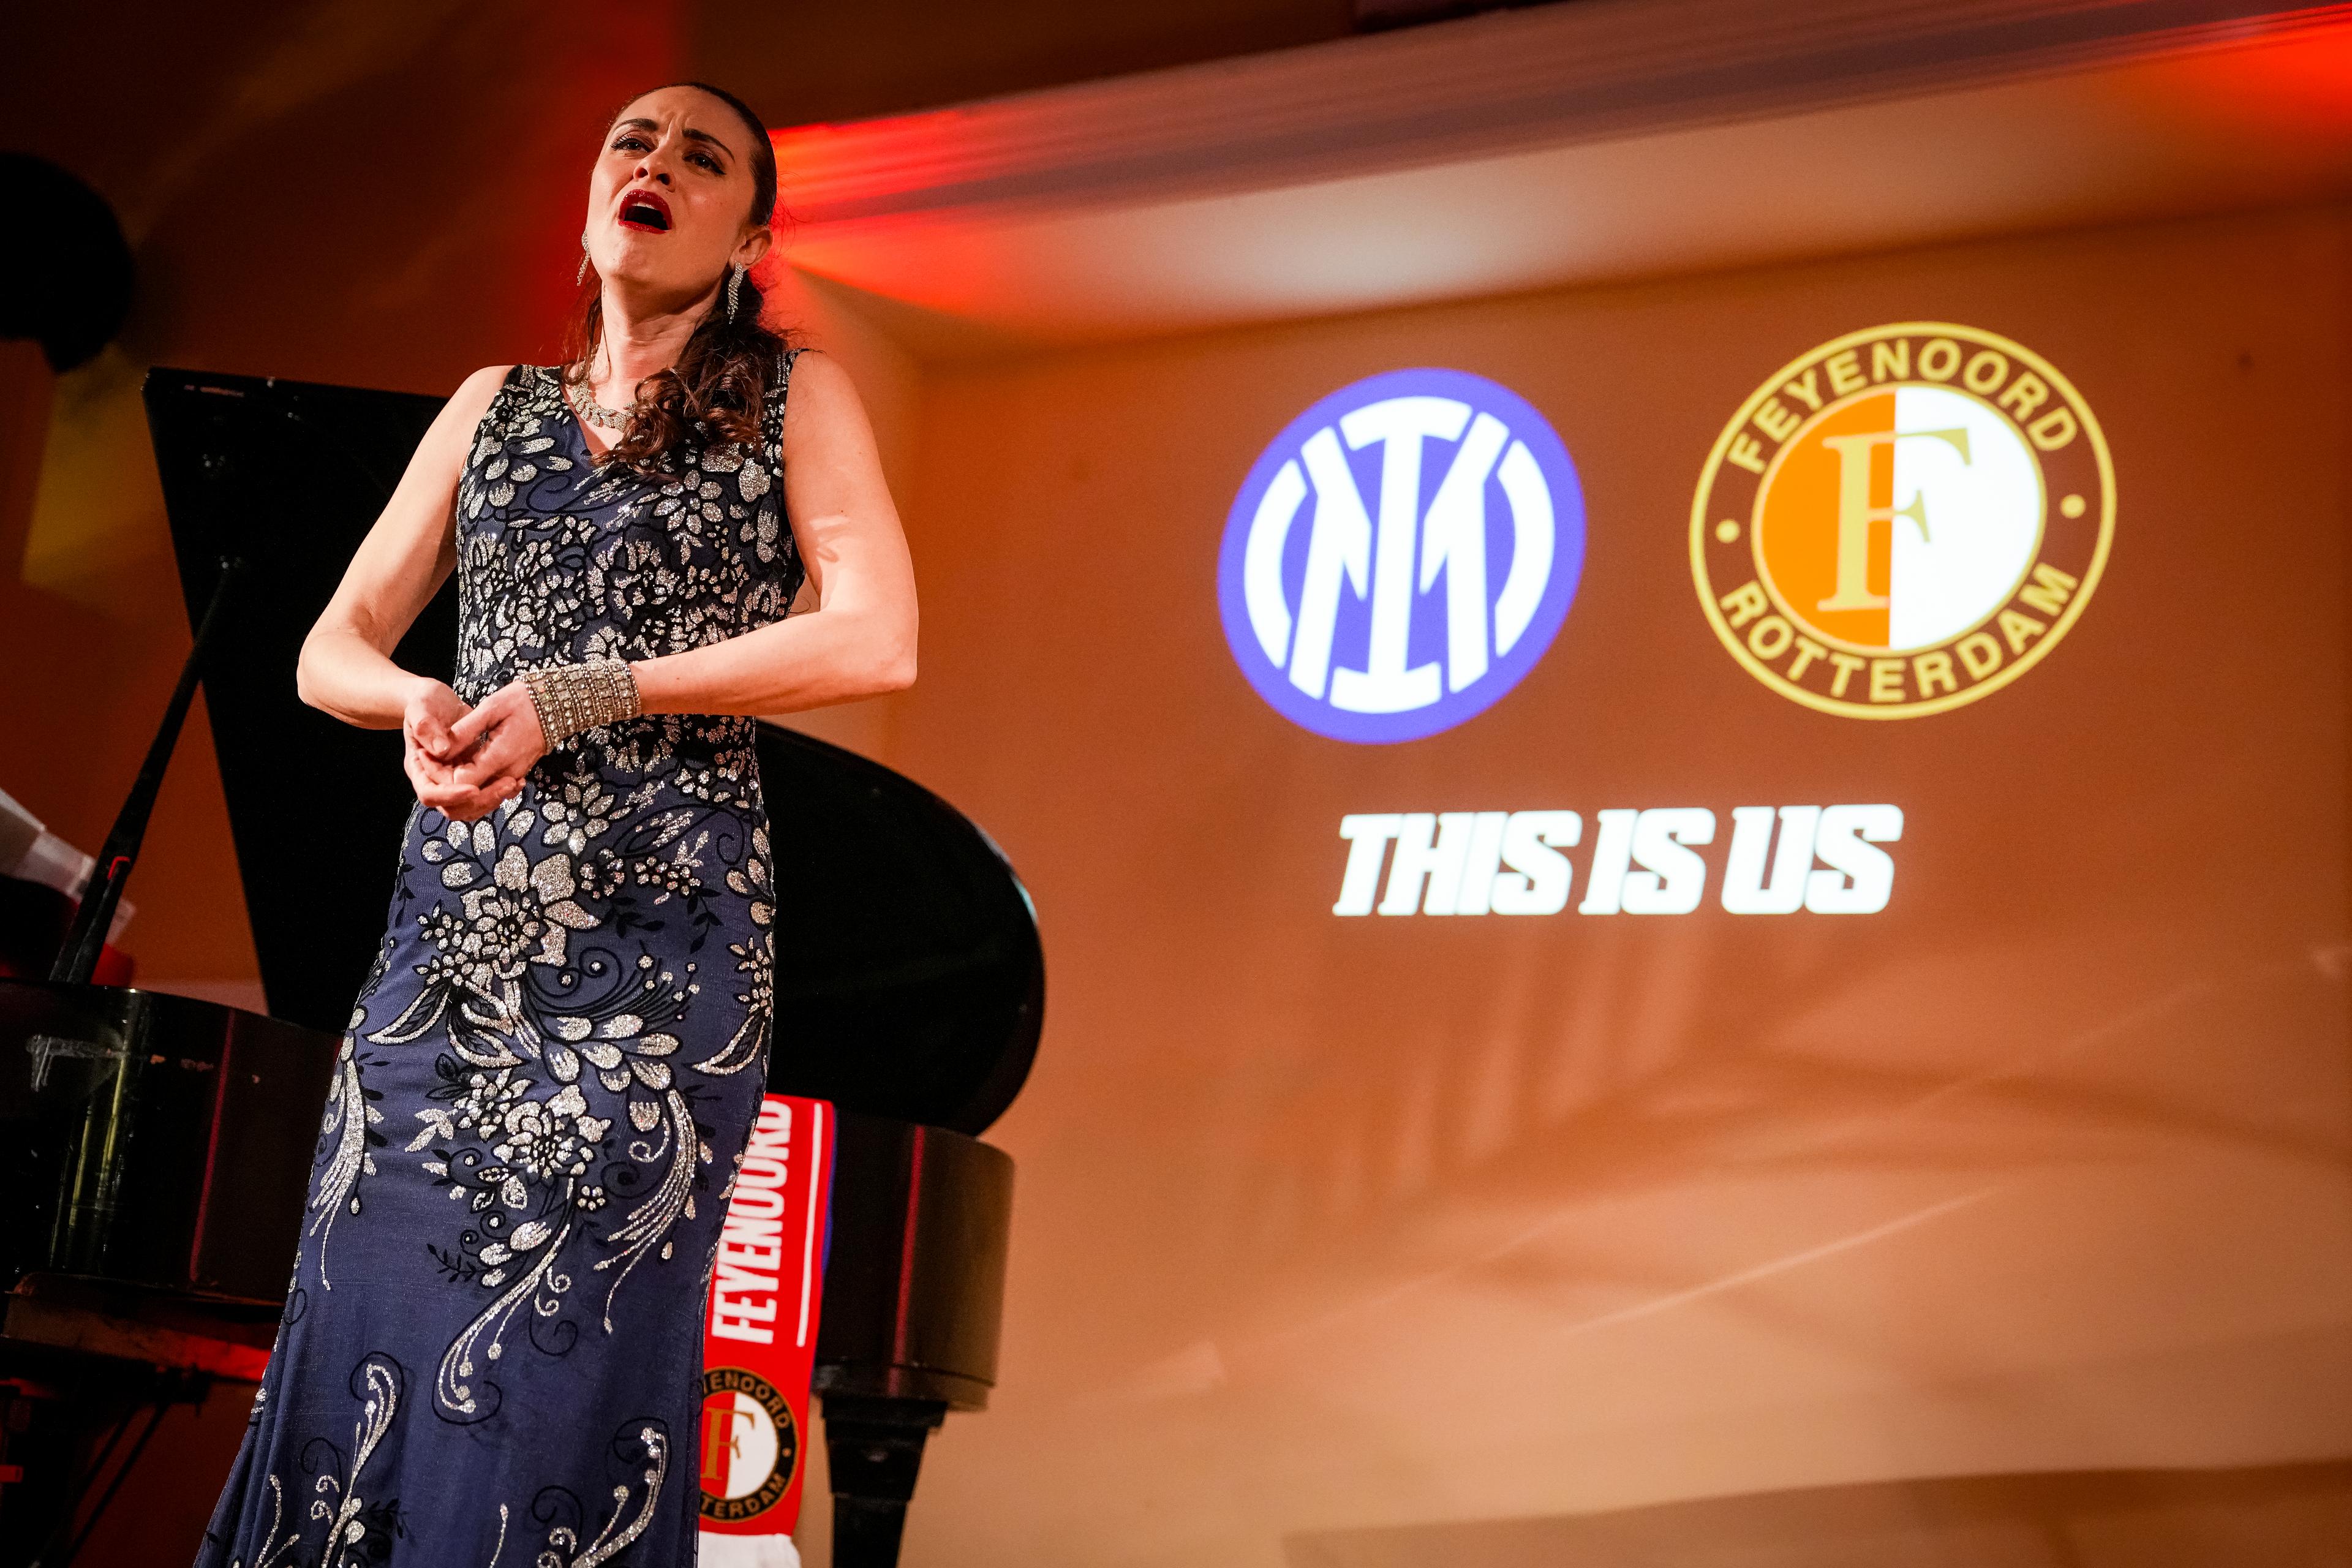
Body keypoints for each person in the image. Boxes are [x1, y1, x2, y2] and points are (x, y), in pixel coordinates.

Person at [195, 81, 916, 1567]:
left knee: (557, 1364)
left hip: (657, 956)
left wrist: (590, 692)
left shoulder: (796, 395)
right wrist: (414, 702)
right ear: (592, 195)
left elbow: (877, 636)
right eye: (632, 142)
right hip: (451, 951)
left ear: (748, 238)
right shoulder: (492, 404)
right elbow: (328, 648)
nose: (657, 163)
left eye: (702, 158)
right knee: (365, 1319)